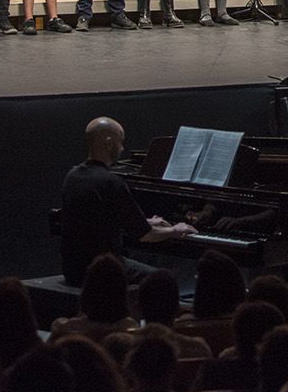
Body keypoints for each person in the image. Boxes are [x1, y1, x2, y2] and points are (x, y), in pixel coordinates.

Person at [58, 117, 197, 285]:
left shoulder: (73, 176)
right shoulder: (111, 182)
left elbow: (98, 220)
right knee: (163, 279)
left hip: (73, 269)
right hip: (103, 271)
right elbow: (146, 235)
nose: (122, 148)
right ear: (109, 143)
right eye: (120, 142)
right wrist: (175, 230)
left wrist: (143, 221)